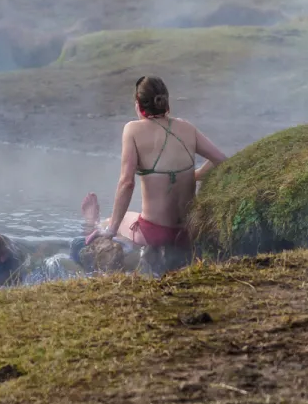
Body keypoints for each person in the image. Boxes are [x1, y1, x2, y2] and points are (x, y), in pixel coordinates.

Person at [89, 76, 229, 269]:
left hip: (154, 233)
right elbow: (221, 160)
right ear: (165, 101)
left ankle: (93, 224)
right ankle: (96, 223)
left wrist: (112, 229)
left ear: (138, 104)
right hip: (188, 232)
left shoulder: (133, 130)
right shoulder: (186, 127)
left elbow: (127, 183)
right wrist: (192, 176)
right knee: (131, 216)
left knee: (112, 221)